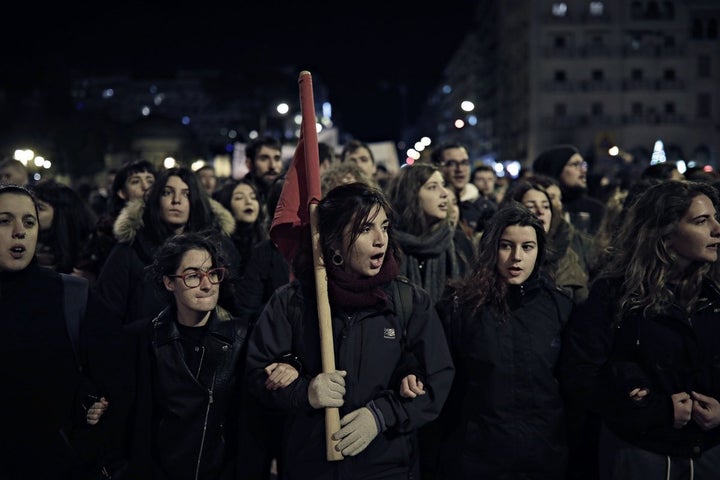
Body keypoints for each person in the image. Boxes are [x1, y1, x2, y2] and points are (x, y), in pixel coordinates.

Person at [244, 182, 455, 480]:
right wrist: (305, 392)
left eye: (384, 226)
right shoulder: (293, 301)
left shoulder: (409, 302)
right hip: (310, 466)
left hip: (387, 468)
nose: (381, 240)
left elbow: (437, 378)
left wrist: (381, 415)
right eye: (366, 229)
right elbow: (256, 374)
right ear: (333, 242)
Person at [560, 180, 720, 480]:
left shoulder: (713, 296)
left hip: (710, 454)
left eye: (715, 217)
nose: (717, 228)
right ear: (665, 233)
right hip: (641, 455)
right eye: (701, 221)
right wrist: (656, 410)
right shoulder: (614, 295)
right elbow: (581, 373)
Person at [90, 232, 249, 479]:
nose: (207, 285)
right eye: (193, 276)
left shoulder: (241, 337)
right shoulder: (142, 338)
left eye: (213, 274)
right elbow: (125, 418)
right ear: (169, 283)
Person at [434, 201, 574, 479]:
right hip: (478, 458)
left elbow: (570, 387)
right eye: (506, 245)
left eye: (527, 247)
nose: (517, 258)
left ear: (540, 251)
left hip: (543, 457)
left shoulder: (559, 306)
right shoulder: (461, 307)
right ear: (491, 248)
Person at [0, 184, 112, 479]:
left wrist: (90, 411)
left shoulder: (72, 294)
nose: (19, 231)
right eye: (4, 220)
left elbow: (114, 380)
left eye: (29, 221)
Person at [386, 163, 472, 305]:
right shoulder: (389, 245)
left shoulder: (459, 242)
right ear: (410, 194)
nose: (444, 193)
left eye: (443, 185)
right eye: (432, 187)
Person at [502, 179, 590, 303]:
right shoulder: (498, 252)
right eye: (531, 206)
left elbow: (582, 300)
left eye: (546, 206)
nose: (541, 211)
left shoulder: (567, 255)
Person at [75, 159, 158, 284]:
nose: (145, 187)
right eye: (135, 181)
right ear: (122, 193)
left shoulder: (167, 220)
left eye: (150, 180)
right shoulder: (108, 228)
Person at [532, 144, 606, 235]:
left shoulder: (595, 209)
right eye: (575, 164)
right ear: (556, 169)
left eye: (583, 165)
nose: (583, 170)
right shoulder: (539, 209)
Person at [30, 179, 97, 274]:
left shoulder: (88, 255)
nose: (31, 213)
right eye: (31, 207)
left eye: (40, 208)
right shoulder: (28, 246)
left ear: (61, 213)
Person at [244, 135, 284, 203]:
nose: (272, 166)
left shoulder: (289, 195)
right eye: (264, 159)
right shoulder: (237, 196)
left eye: (277, 159)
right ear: (249, 163)